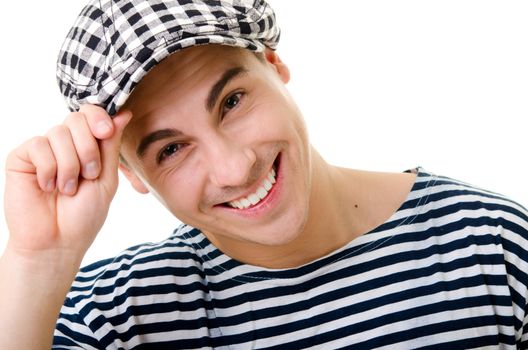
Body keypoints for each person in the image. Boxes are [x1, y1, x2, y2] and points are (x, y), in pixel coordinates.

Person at [1, 0, 527, 349]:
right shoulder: (114, 313)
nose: (234, 168)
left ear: (275, 67)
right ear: (131, 174)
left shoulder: (492, 245)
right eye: (171, 149)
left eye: (232, 101)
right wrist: (37, 260)